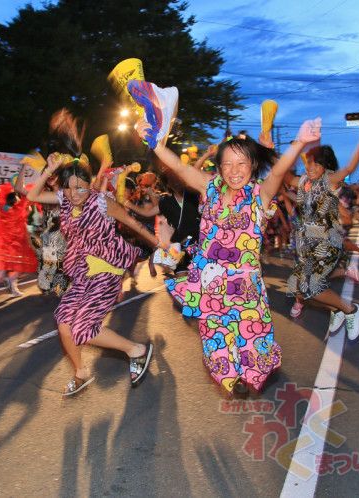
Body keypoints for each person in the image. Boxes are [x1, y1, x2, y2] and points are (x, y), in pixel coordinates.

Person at [132, 81, 321, 394]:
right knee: (215, 340)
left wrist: (299, 143)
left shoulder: (258, 197)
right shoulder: (210, 189)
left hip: (246, 287)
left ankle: (249, 374)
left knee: (254, 339)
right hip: (209, 284)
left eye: (242, 163)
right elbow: (177, 164)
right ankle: (232, 379)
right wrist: (153, 143)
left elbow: (276, 176)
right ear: (218, 168)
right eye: (228, 164)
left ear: (252, 166)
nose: (235, 171)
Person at [27, 109, 171, 396]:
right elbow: (30, 195)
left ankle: (137, 350)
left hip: (106, 270)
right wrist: (47, 171)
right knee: (64, 323)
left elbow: (131, 223)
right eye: (69, 189)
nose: (74, 193)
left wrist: (160, 245)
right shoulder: (65, 201)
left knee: (84, 328)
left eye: (80, 187)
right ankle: (80, 372)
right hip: (80, 271)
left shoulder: (102, 203)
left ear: (88, 184)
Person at [285, 130, 359, 341]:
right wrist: (291, 149)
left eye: (316, 164)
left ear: (325, 166)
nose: (311, 167)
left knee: (311, 288)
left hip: (326, 242)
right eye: (309, 163)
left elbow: (349, 167)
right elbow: (283, 175)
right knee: (303, 289)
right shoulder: (304, 182)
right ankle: (339, 309)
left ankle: (350, 310)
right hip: (307, 244)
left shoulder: (328, 181)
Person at [16, 162, 69, 296]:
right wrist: (24, 167)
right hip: (48, 240)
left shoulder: (66, 194)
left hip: (65, 240)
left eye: (53, 173)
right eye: (48, 173)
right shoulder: (43, 195)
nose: (51, 176)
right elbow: (19, 188)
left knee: (59, 285)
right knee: (46, 285)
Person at [0, 182, 38, 296]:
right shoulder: (15, 209)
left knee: (15, 267)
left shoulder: (5, 209)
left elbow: (27, 210)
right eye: (16, 198)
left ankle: (11, 284)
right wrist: (25, 196)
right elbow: (27, 209)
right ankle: (11, 283)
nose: (18, 199)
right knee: (18, 266)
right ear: (13, 200)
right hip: (15, 243)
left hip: (9, 242)